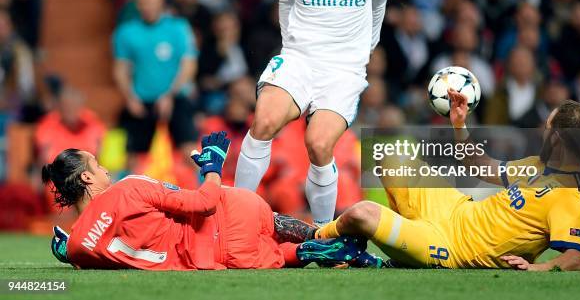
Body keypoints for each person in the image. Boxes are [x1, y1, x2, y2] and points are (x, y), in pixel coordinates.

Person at [233, 0, 389, 226]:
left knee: (318, 145)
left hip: (344, 70)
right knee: (264, 122)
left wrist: (368, 48)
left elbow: (379, 4)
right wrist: (291, 40)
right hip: (299, 58)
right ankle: (234, 217)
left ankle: (323, 237)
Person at [314, 98, 580, 271]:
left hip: (452, 247)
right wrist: (460, 126)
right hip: (456, 211)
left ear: (557, 138)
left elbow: (574, 258)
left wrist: (539, 268)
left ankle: (315, 236)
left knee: (361, 213)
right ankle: (404, 249)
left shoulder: (571, 197)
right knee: (390, 157)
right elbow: (481, 166)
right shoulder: (538, 164)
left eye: (546, 128)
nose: (541, 131)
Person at [43, 132, 379, 270]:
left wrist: (67, 247)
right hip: (227, 216)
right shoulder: (128, 187)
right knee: (274, 222)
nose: (105, 169)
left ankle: (312, 253)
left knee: (282, 254)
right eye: (97, 165)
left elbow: (81, 252)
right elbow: (202, 202)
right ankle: (350, 248)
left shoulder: (79, 248)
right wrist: (212, 166)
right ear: (86, 178)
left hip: (219, 259)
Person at [113, 0, 199, 172]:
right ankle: (133, 198)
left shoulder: (178, 28)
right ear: (137, 5)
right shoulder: (126, 32)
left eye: (151, 1)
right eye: (143, 2)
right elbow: (120, 69)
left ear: (161, 3)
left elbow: (189, 65)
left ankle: (207, 196)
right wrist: (130, 98)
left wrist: (170, 95)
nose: (147, 6)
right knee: (133, 159)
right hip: (141, 102)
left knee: (190, 152)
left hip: (175, 98)